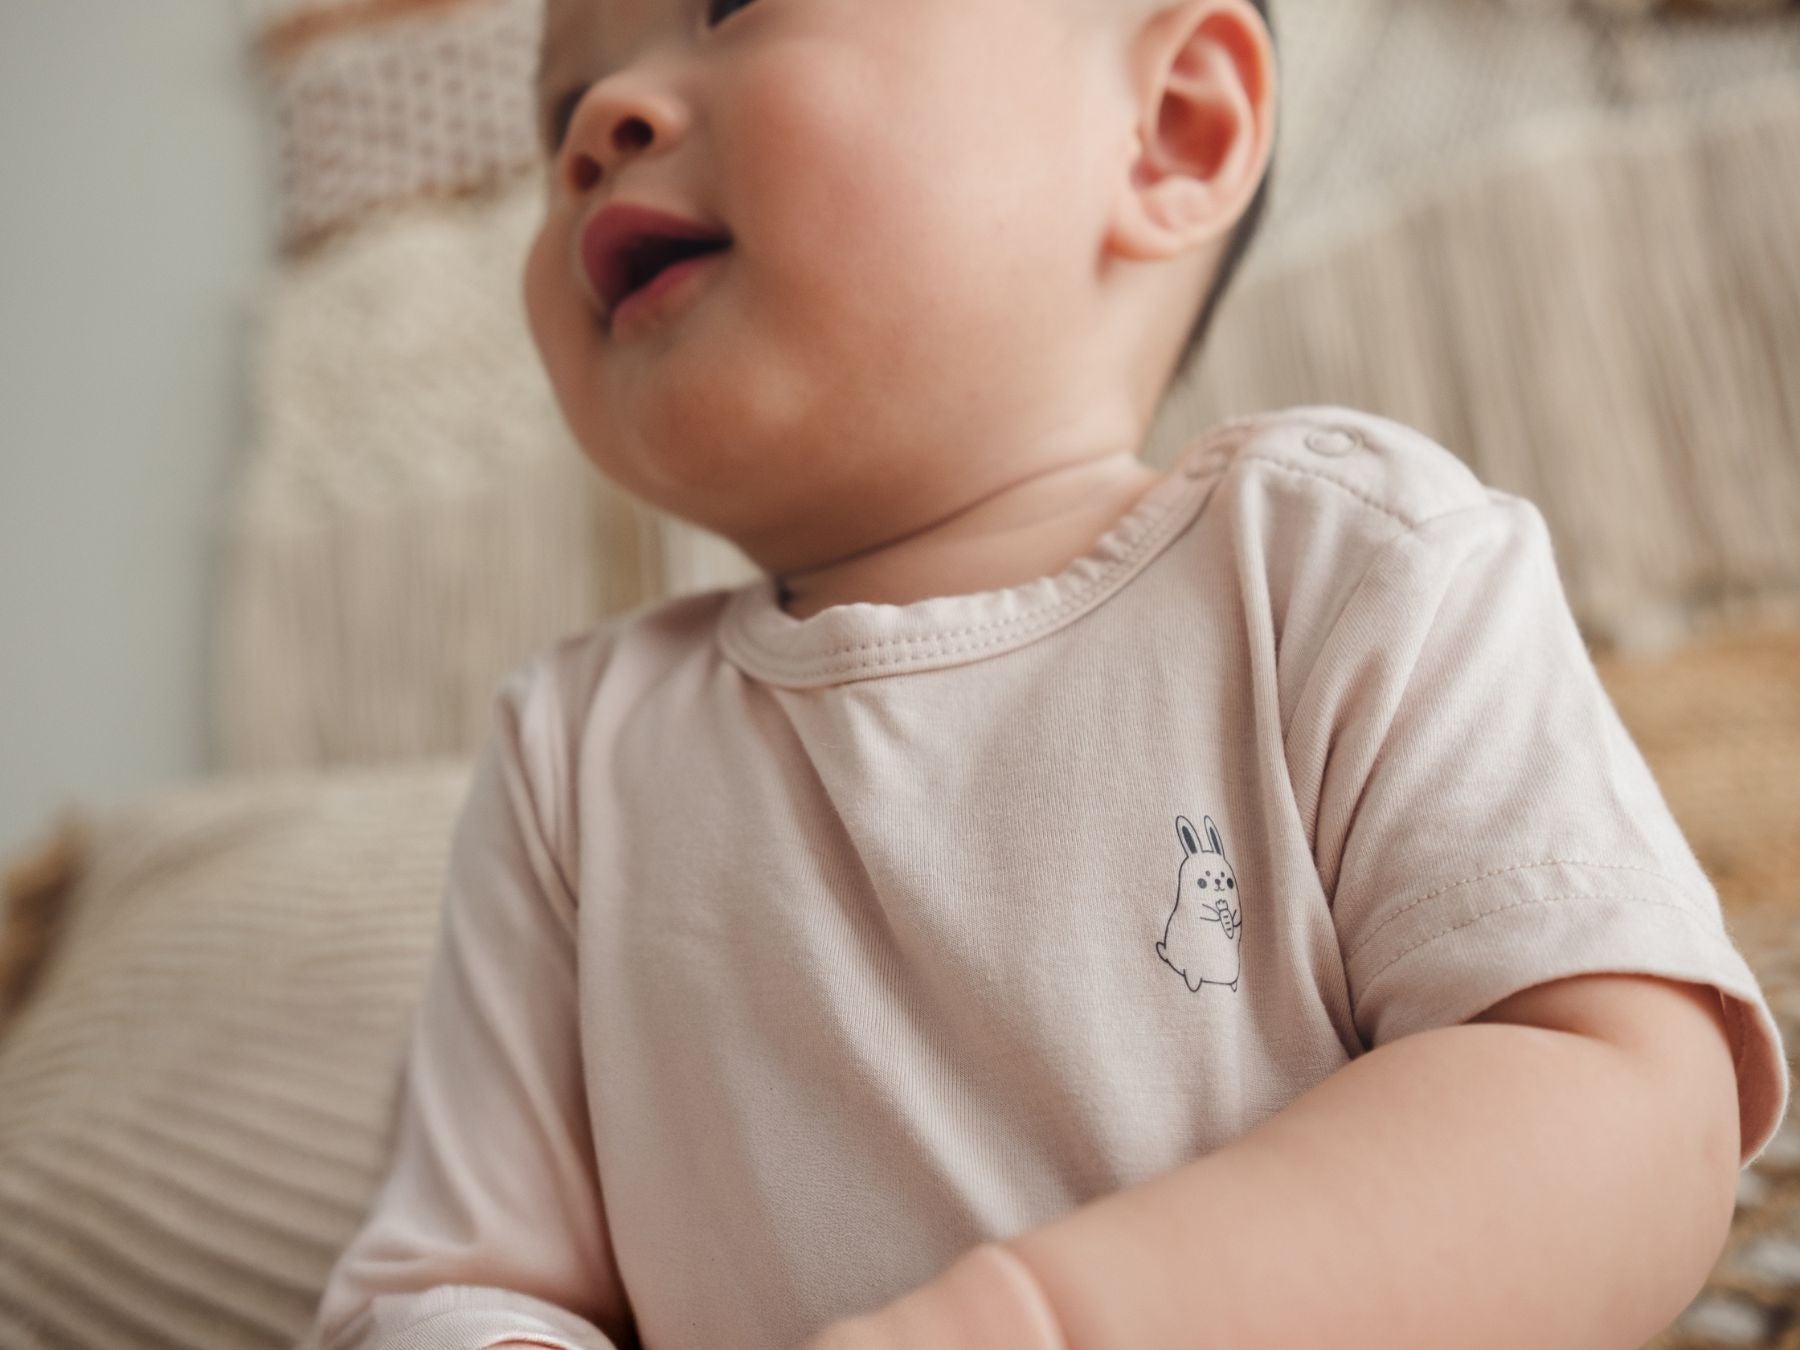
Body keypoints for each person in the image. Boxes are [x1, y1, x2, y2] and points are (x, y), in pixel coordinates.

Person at [301, 0, 1790, 1346]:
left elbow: (1627, 1109)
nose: (602, 123)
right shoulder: (576, 752)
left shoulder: (1346, 560)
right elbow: (463, 1282)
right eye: (560, 112)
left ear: (1171, 129)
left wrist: (1048, 1318)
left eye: (733, 6)